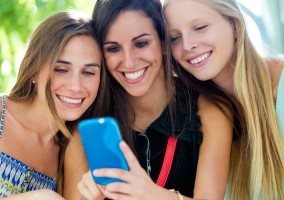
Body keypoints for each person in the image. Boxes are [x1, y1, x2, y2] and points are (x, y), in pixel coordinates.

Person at [64, 0, 234, 199]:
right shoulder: (88, 128)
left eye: (141, 43)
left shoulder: (210, 110)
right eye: (113, 48)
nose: (129, 61)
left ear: (164, 42)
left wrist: (151, 194)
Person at [163, 0, 284, 199]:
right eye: (174, 38)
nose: (187, 45)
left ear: (234, 24)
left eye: (200, 27)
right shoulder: (194, 115)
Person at [0, 10, 103, 199]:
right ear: (33, 70)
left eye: (88, 72)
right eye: (61, 69)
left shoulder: (71, 148)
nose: (75, 86)